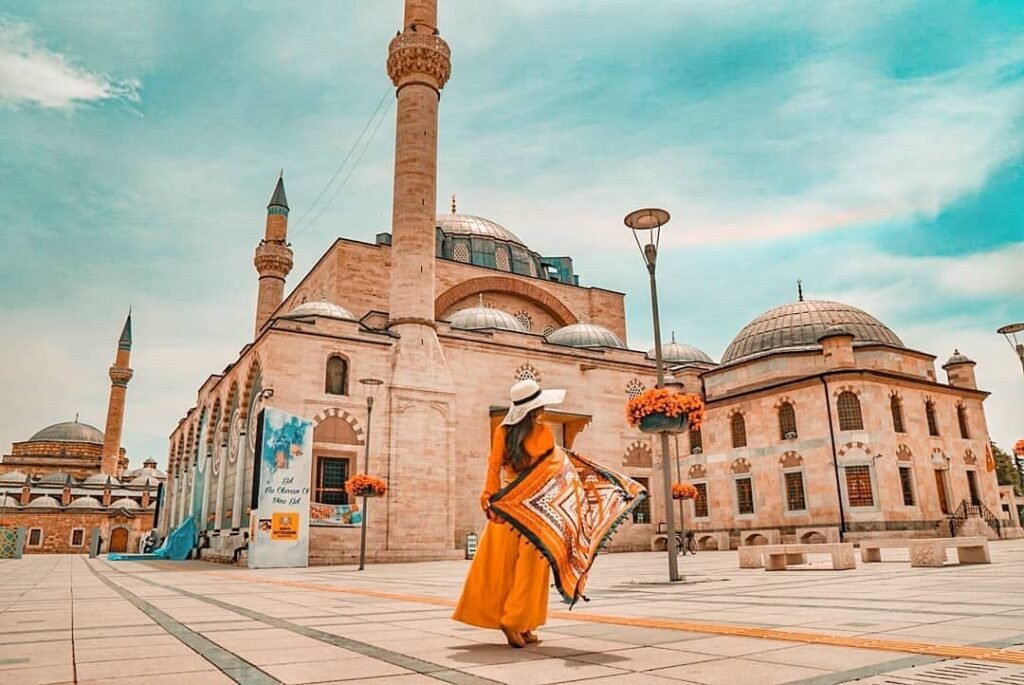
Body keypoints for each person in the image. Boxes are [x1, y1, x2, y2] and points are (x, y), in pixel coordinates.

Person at [452, 379, 566, 648]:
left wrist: (489, 498)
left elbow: (493, 466)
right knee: (532, 566)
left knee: (502, 566)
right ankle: (515, 621)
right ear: (536, 408)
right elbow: (552, 469)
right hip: (534, 506)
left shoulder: (503, 432)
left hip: (507, 503)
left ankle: (525, 624)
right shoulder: (544, 431)